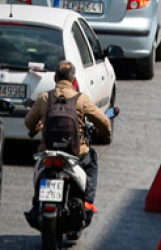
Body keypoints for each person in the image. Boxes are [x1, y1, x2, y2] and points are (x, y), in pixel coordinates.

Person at [23, 60, 113, 225]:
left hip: (48, 152)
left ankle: (37, 203)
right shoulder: (81, 100)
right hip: (76, 154)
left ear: (55, 78)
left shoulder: (44, 98)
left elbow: (28, 122)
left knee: (38, 169)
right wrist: (105, 135)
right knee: (92, 159)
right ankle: (87, 202)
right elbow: (105, 122)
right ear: (73, 80)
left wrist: (38, 126)